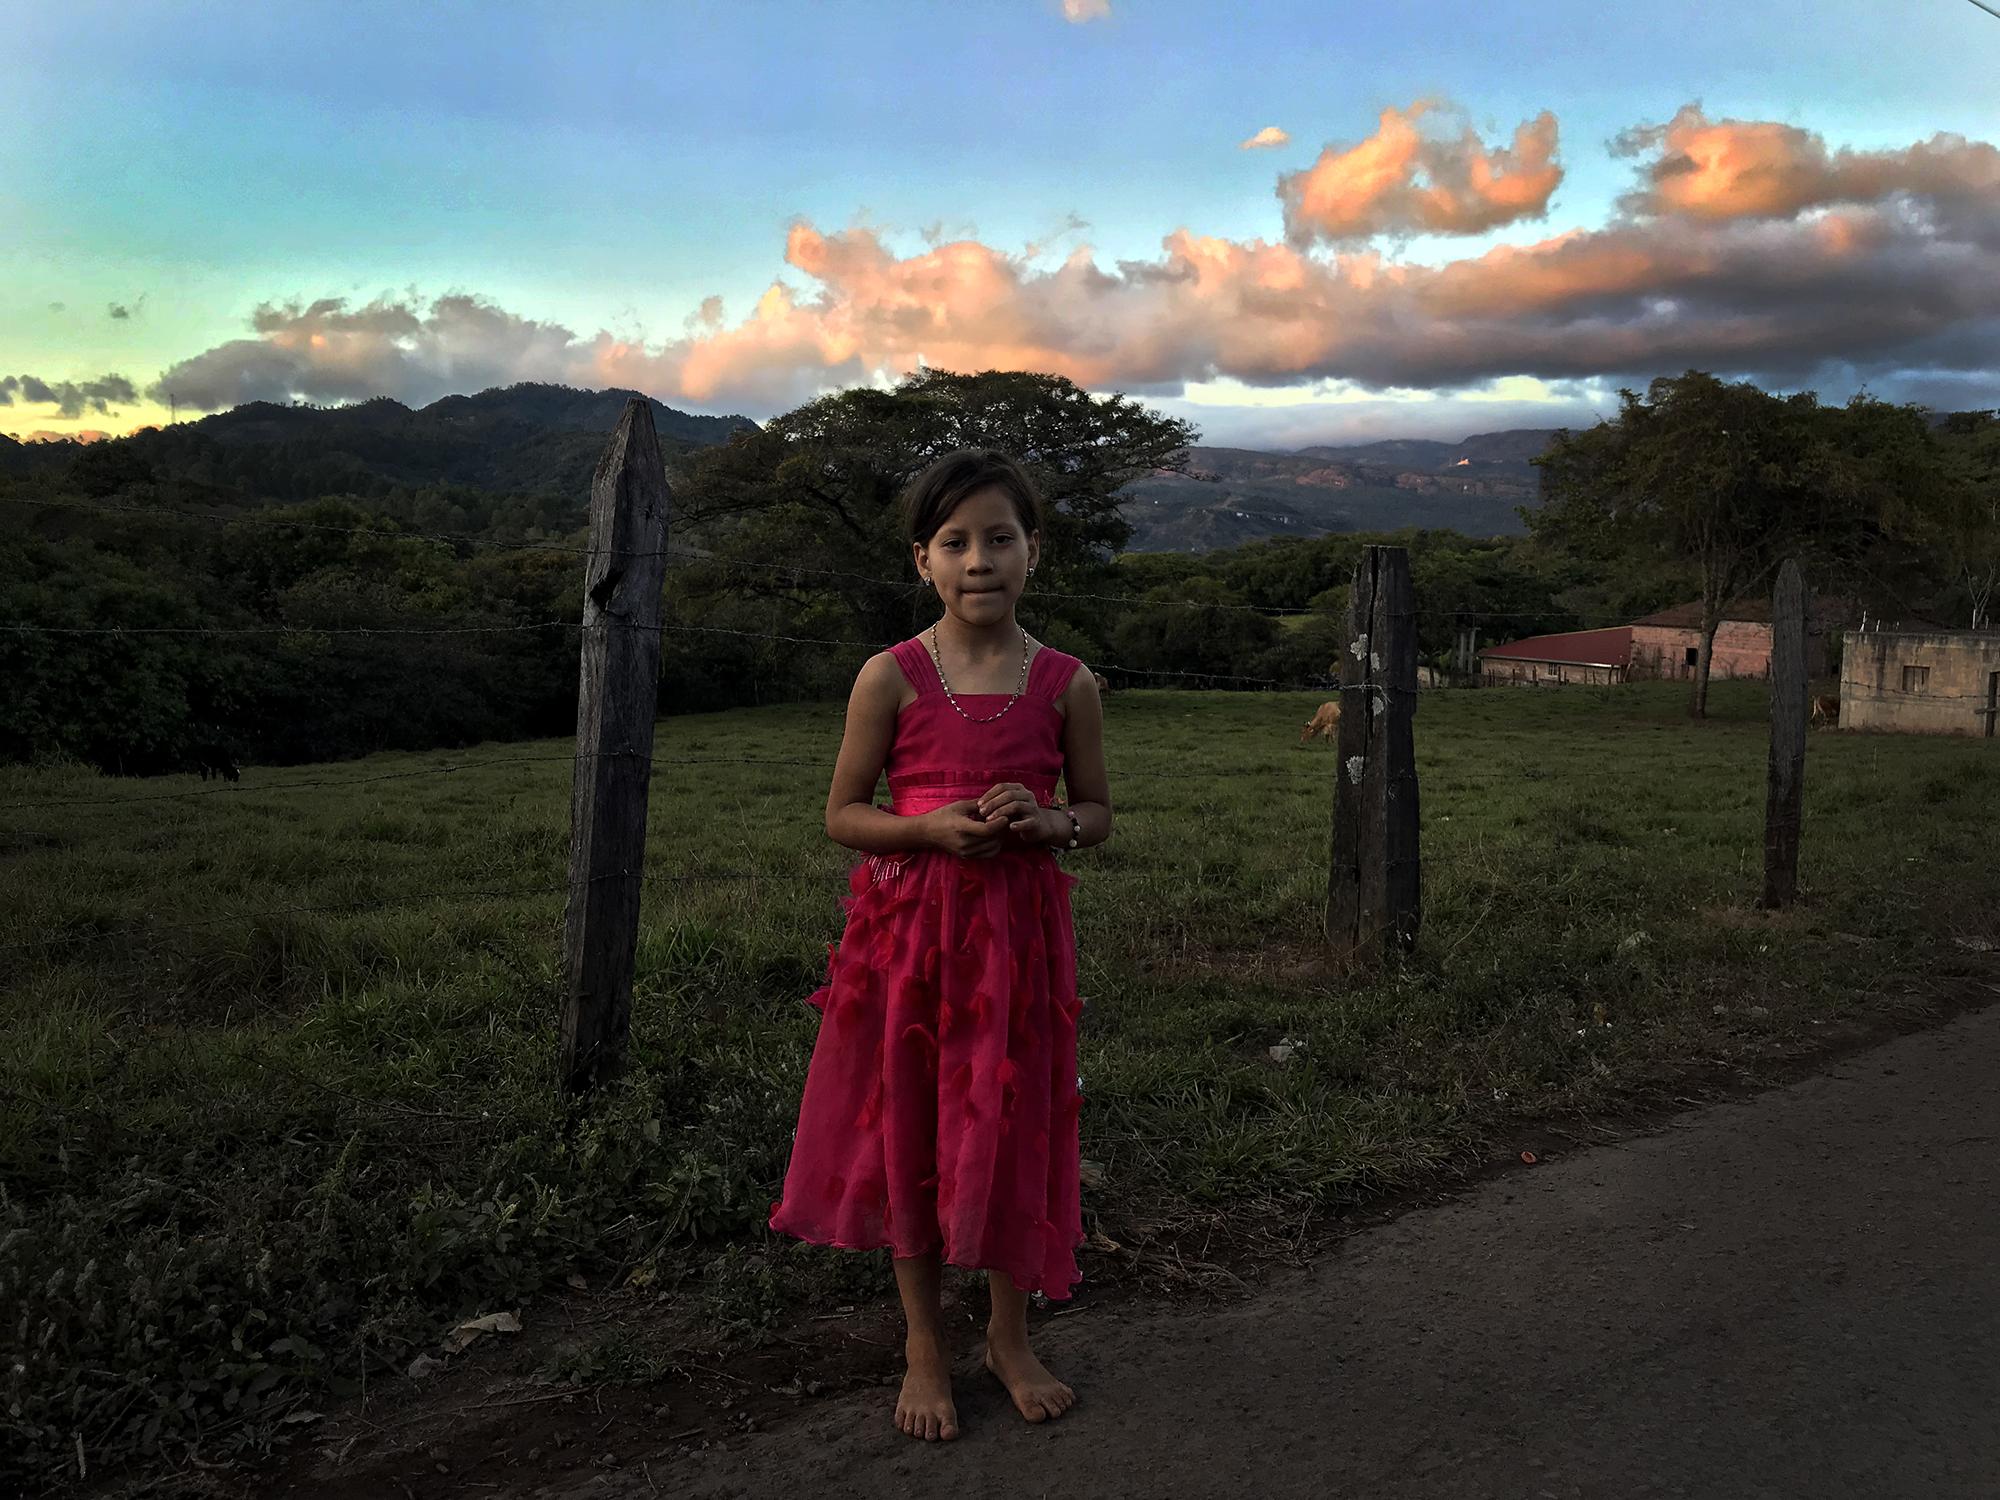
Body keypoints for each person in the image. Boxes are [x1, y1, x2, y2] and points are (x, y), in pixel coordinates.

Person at [767, 448, 1112, 1443]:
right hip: (908, 950)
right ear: (921, 560)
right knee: (909, 1136)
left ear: (1032, 552)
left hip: (1017, 956)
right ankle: (924, 1343)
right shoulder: (889, 677)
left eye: (998, 538)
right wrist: (923, 829)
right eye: (954, 542)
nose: (978, 561)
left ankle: (1007, 1338)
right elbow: (842, 815)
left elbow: (1095, 811)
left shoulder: (1064, 683)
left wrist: (1050, 825)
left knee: (1011, 1131)